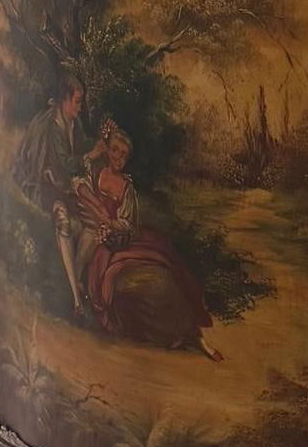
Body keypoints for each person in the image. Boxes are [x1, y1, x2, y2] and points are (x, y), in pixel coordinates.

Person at [69, 122, 222, 356]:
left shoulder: (127, 188)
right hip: (98, 240)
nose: (118, 158)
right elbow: (78, 175)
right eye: (114, 150)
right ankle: (169, 335)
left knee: (163, 272)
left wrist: (111, 226)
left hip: (118, 240)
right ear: (107, 150)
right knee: (115, 285)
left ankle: (192, 334)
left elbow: (127, 223)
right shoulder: (96, 171)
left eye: (123, 155)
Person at [12, 72, 91, 313]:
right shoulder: (50, 125)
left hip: (65, 186)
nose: (80, 106)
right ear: (65, 100)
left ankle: (74, 281)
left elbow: (80, 151)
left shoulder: (73, 125)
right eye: (77, 101)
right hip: (44, 184)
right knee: (63, 220)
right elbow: (66, 162)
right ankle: (77, 299)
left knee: (94, 226)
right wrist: (91, 156)